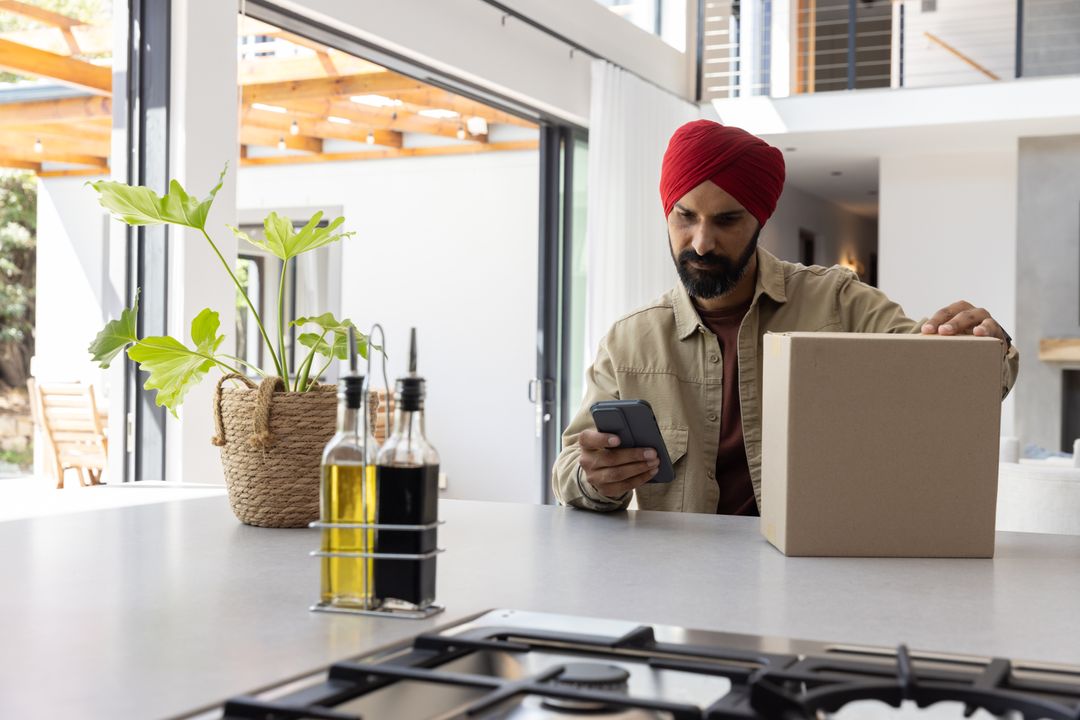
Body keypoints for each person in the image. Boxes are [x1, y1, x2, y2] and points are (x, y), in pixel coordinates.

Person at [551, 119, 1019, 515]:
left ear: (760, 220)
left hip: (821, 571)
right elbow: (570, 468)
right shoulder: (629, 341)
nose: (700, 242)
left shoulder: (837, 301)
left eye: (727, 221)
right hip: (682, 583)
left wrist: (981, 347)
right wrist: (597, 481)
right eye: (684, 216)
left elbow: (937, 373)